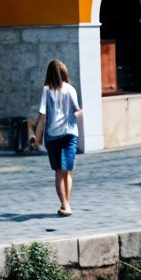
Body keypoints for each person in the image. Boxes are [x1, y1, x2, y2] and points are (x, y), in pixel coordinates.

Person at [31, 59, 82, 215]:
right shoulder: (71, 89)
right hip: (69, 134)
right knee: (67, 171)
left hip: (53, 136)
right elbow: (76, 111)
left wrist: (37, 138)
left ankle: (64, 204)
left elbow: (42, 117)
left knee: (59, 172)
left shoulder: (46, 90)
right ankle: (67, 204)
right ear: (64, 72)